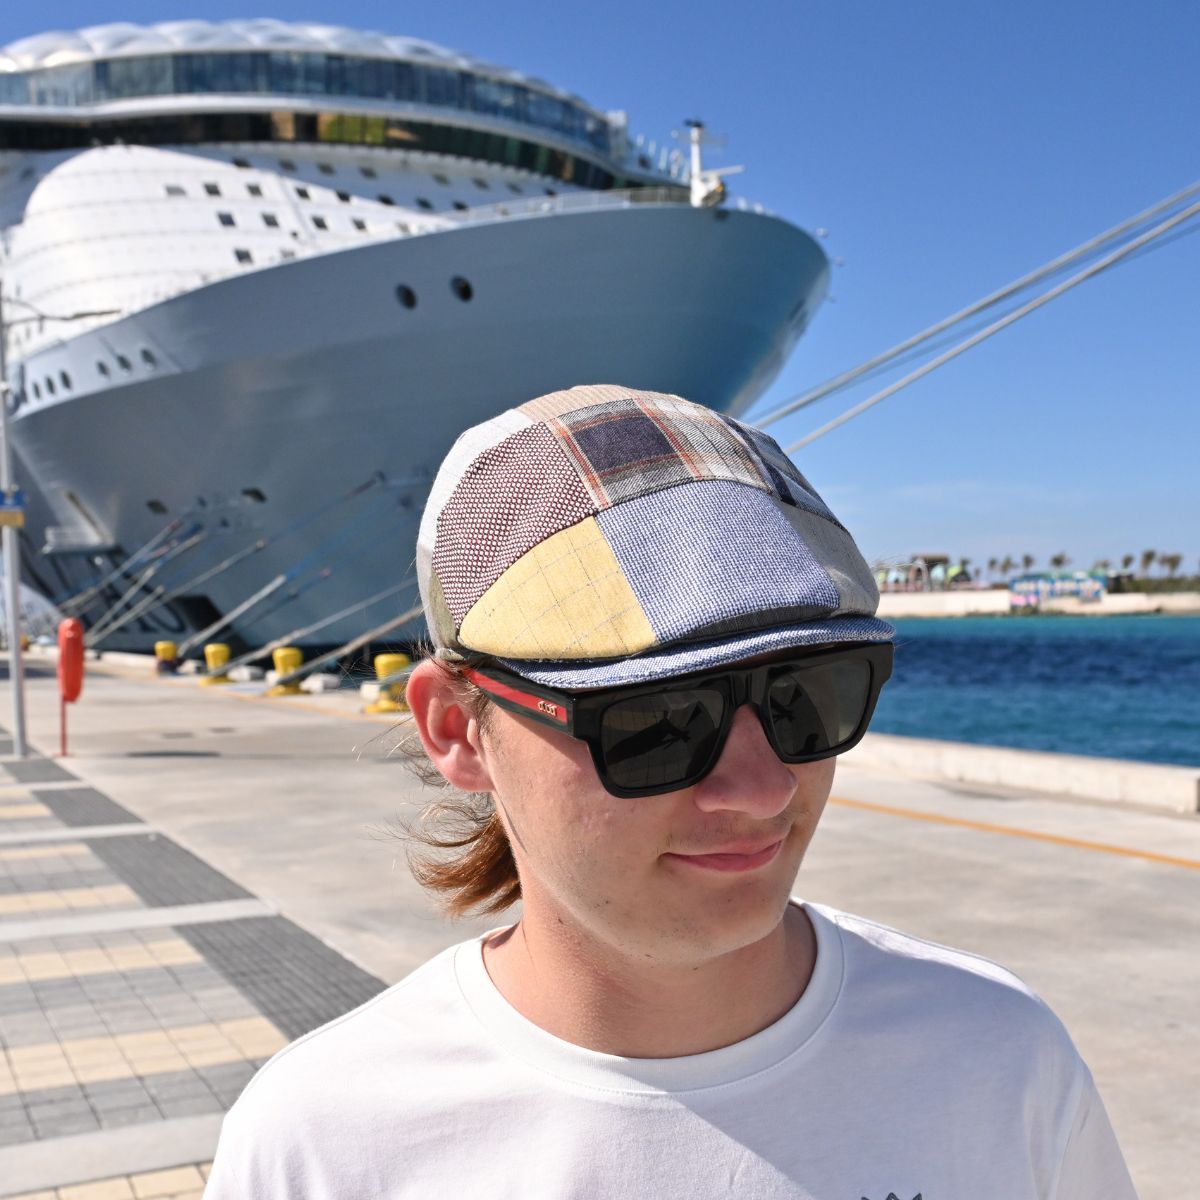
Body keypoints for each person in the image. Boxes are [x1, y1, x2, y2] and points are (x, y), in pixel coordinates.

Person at [205, 384, 1135, 1198]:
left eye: (809, 695)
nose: (761, 788)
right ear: (457, 729)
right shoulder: (322, 1147)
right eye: (653, 718)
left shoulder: (1000, 1061)